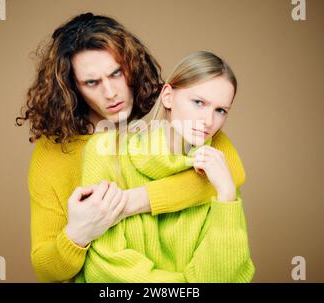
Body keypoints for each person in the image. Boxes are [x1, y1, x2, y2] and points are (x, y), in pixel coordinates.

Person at [16, 13, 247, 283]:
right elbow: (45, 269)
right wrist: (79, 233)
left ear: (132, 66)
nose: (111, 92)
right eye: (92, 82)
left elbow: (230, 172)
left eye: (117, 73)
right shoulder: (54, 153)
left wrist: (127, 203)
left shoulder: (172, 115)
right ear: (72, 88)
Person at [76, 51, 255, 282]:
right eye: (199, 102)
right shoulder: (106, 150)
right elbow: (104, 270)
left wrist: (227, 196)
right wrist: (186, 286)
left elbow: (225, 276)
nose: (209, 121)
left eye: (220, 110)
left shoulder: (219, 171)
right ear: (168, 97)